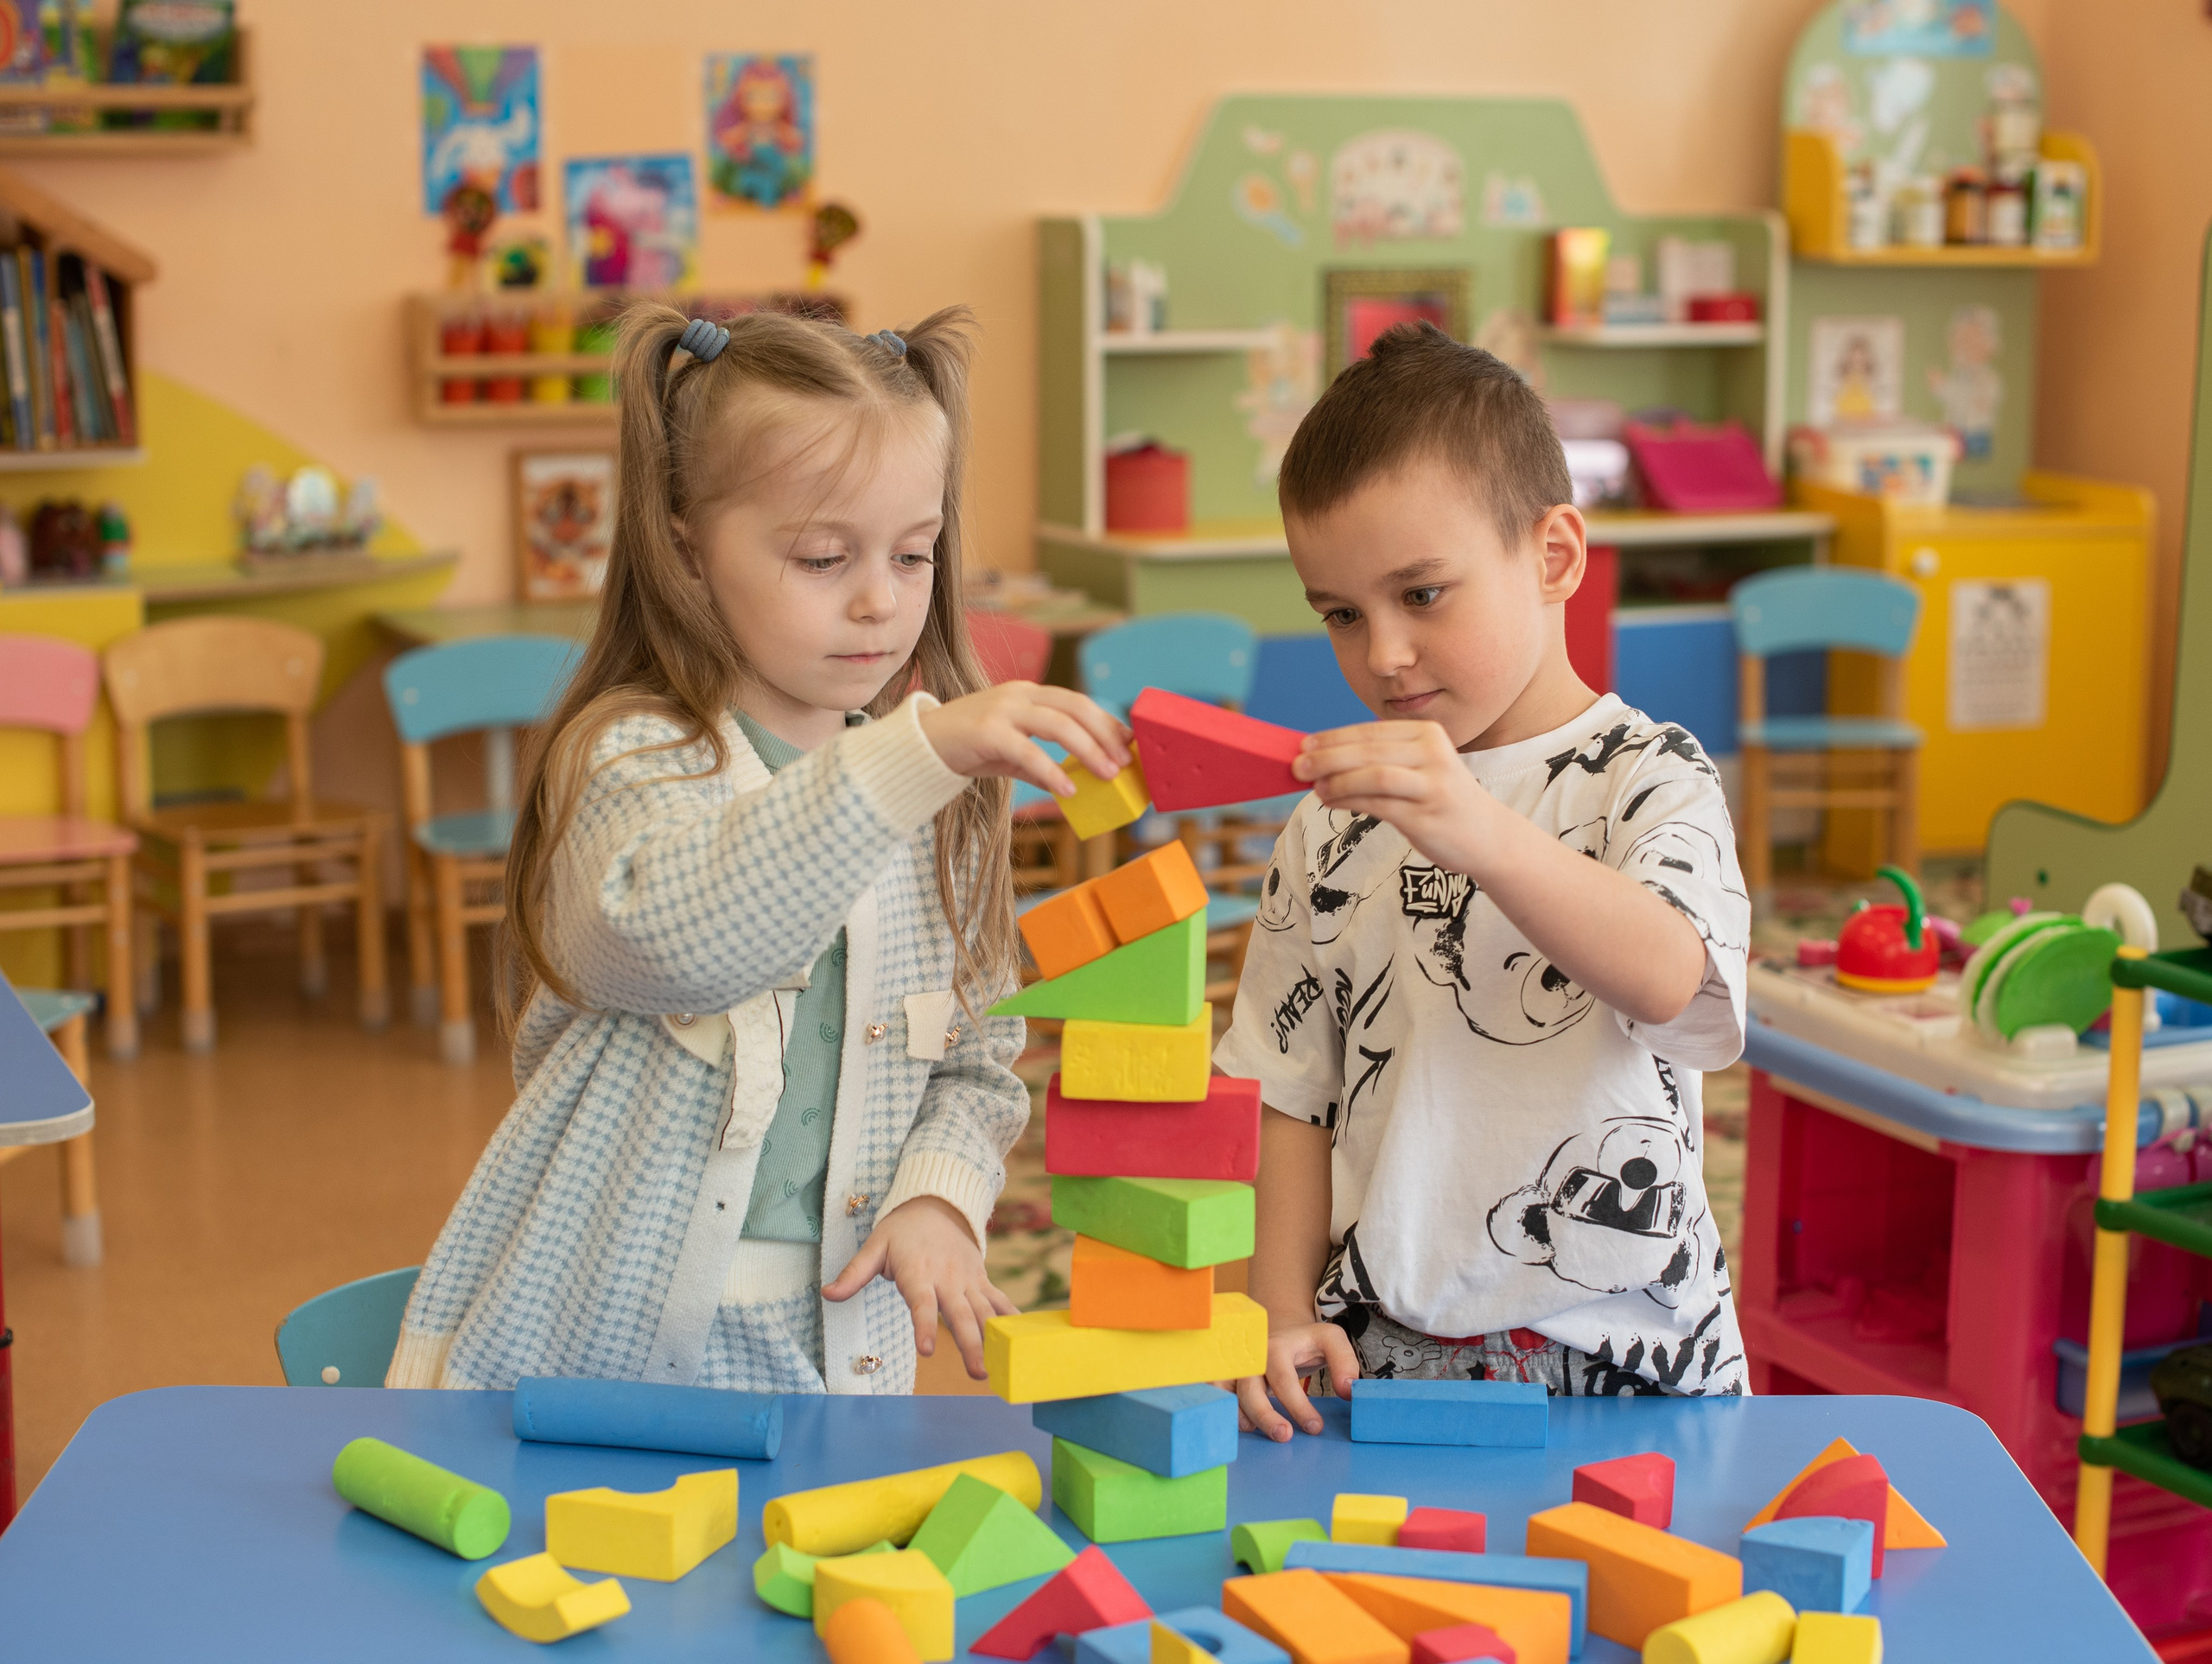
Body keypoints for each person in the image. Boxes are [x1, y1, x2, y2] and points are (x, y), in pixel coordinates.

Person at [388, 304, 1129, 1394]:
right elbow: (678, 936)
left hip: (840, 1335)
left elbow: (974, 1055)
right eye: (825, 556)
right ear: (687, 552)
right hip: (602, 1334)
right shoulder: (628, 759)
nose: (881, 599)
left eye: (914, 553)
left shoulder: (933, 793)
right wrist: (916, 760)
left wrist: (936, 1196)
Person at [1218, 323, 1751, 1435]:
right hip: (1379, 1356)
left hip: (1633, 1360)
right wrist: (1272, 1310)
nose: (1383, 656)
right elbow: (1288, 1090)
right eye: (1340, 614)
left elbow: (1672, 981)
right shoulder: (1328, 828)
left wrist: (1478, 826)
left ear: (1554, 555)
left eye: (1422, 595)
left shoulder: (1648, 781)